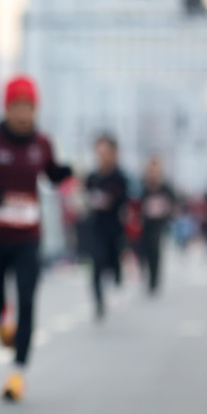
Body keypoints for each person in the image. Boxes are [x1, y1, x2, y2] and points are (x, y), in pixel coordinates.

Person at [0, 76, 72, 402]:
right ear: (7, 107)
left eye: (28, 107)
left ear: (35, 109)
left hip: (28, 238)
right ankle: (0, 319)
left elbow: (52, 174)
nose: (23, 114)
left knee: (28, 302)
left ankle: (17, 372)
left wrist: (66, 172)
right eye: (17, 106)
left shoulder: (42, 143)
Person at [84, 134, 128, 320]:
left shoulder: (120, 178)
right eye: (99, 152)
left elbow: (125, 202)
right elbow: (85, 198)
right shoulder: (92, 177)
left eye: (106, 152)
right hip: (96, 227)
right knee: (96, 263)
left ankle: (118, 272)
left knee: (113, 262)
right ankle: (99, 302)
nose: (102, 157)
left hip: (115, 228)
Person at [137, 157, 175, 295]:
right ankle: (145, 275)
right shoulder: (142, 186)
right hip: (143, 224)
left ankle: (154, 280)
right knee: (143, 251)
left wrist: (167, 210)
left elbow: (173, 203)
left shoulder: (165, 187)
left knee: (155, 250)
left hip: (158, 224)